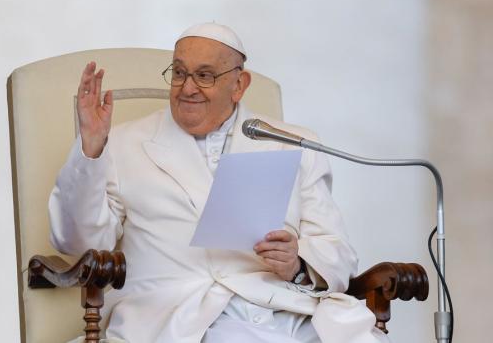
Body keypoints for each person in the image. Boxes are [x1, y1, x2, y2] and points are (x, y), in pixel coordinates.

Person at [49, 22, 389, 343]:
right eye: (179, 73)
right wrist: (90, 149)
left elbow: (339, 253)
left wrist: (299, 264)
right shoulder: (123, 144)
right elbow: (78, 242)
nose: (188, 88)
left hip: (289, 313)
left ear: (239, 85)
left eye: (205, 76)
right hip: (181, 317)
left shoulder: (293, 143)